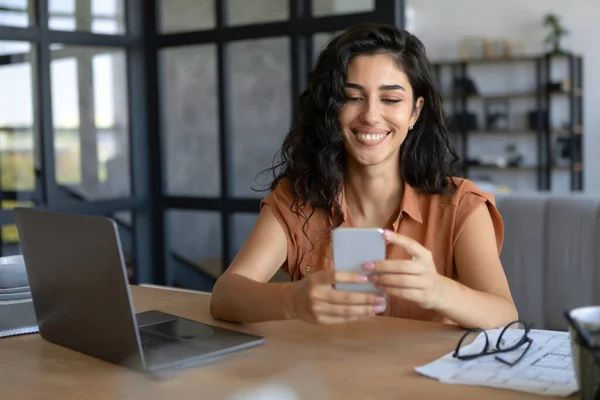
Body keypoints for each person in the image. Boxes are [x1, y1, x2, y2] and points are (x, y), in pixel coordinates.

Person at [210, 23, 518, 330]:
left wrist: (439, 291)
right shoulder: (298, 197)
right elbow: (224, 296)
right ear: (332, 108)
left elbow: (506, 317)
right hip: (321, 373)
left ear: (414, 112)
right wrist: (293, 300)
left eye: (391, 100)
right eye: (352, 97)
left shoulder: (461, 204)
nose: (370, 115)